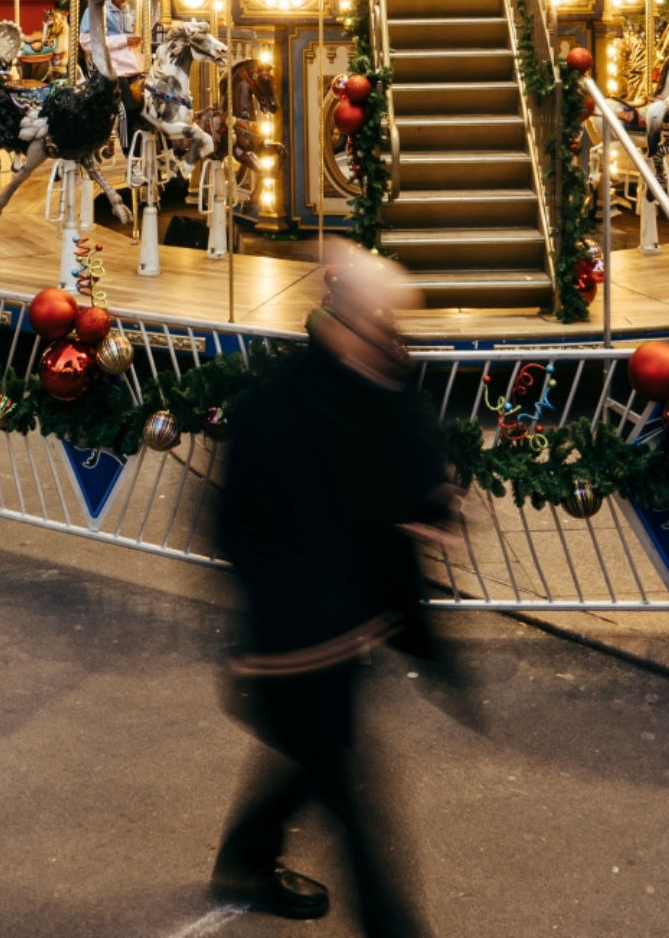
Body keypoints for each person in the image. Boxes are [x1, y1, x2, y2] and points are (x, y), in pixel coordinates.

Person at [211, 247, 453, 933]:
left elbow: (404, 466)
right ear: (343, 323)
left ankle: (247, 856)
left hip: (351, 626)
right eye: (381, 326)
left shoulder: (382, 385)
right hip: (296, 639)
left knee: (312, 759)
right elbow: (236, 526)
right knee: (344, 781)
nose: (393, 340)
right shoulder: (278, 406)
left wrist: (433, 505)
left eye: (397, 328)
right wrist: (291, 617)